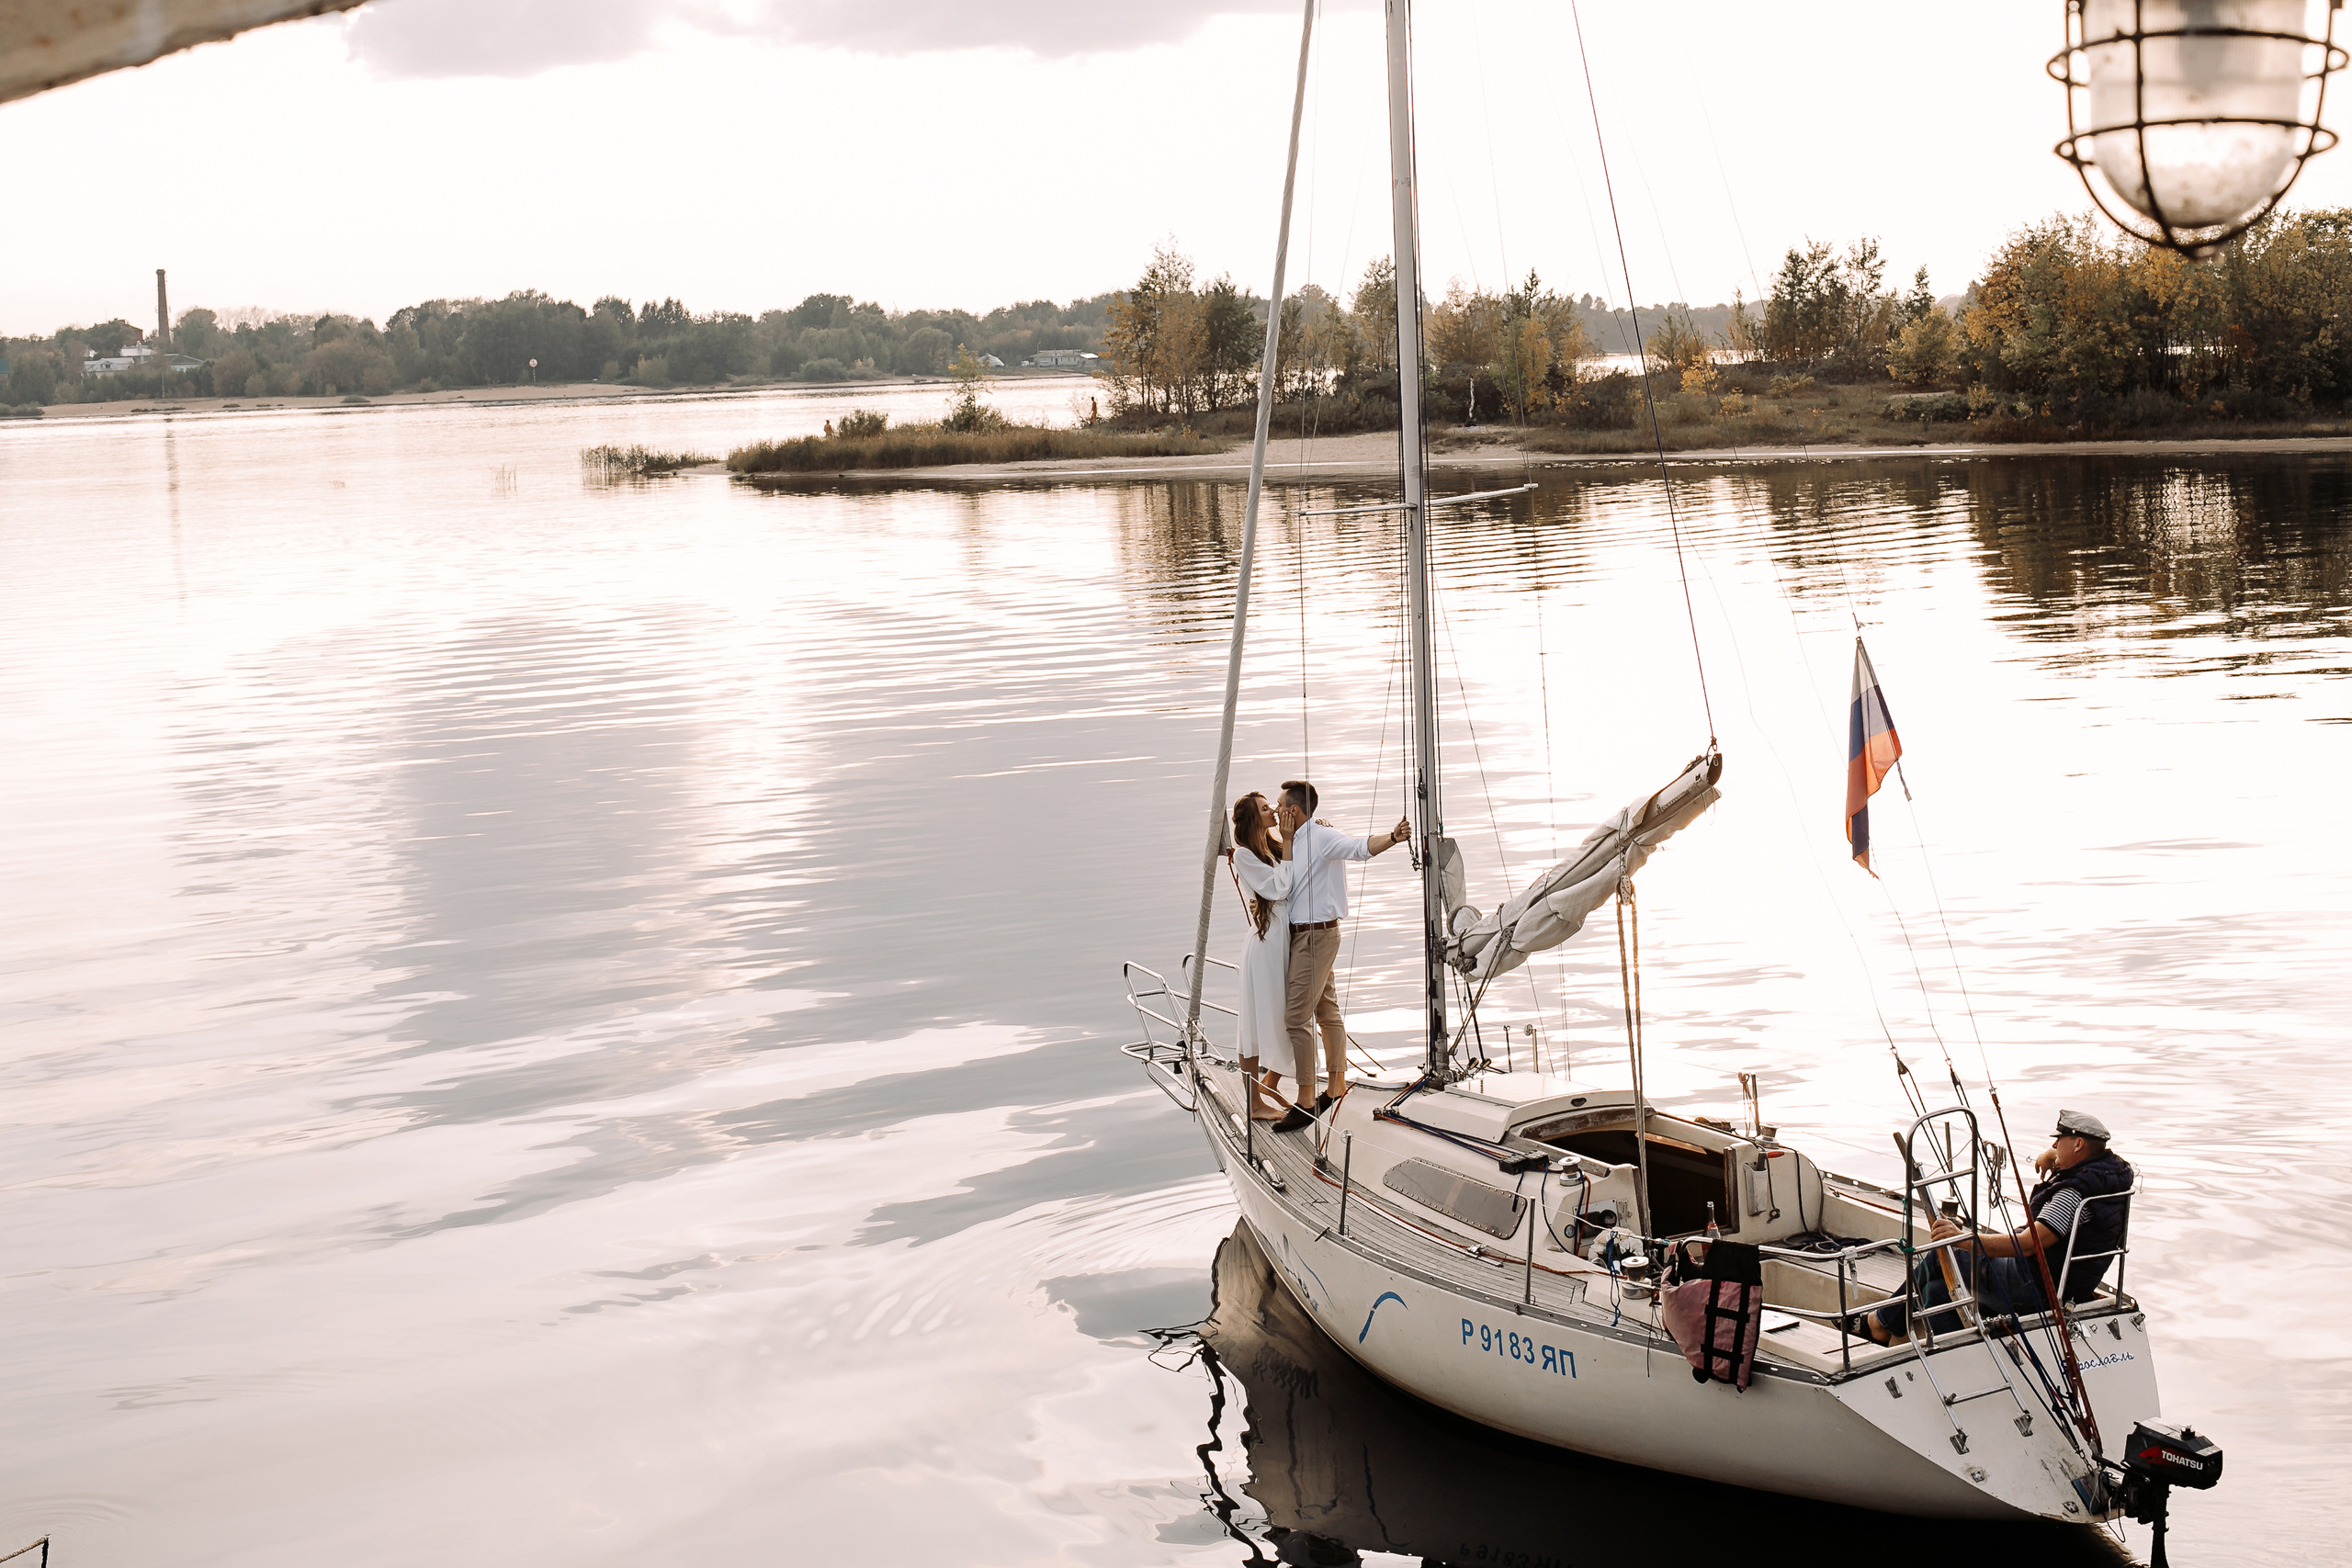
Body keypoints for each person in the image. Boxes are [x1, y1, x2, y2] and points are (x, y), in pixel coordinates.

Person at [1865, 1109, 2134, 1343]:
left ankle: (1881, 1323)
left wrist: (1962, 1238)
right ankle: (1958, 1349)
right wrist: (2053, 1155)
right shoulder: (2108, 1177)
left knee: (1943, 1253)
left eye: (2059, 1141)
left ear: (2077, 1144)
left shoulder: (2072, 1193)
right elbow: (2075, 1159)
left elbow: (2030, 1244)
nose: (2054, 1145)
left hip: (2034, 1285)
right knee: (1934, 1291)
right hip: (2069, 1283)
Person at [1276, 779, 1411, 1117]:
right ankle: (1335, 1088)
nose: (1277, 812)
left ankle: (1306, 1099)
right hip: (1306, 937)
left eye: (1280, 807)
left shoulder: (1322, 837)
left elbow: (1359, 847)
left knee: (1296, 1018)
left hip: (1316, 937)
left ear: (1293, 811)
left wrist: (1393, 838)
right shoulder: (1291, 841)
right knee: (1326, 1011)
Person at [1229, 792, 1309, 1131]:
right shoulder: (1245, 856)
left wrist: (1310, 831)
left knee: (1286, 1015)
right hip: (1265, 946)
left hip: (1281, 941)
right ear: (1252, 820)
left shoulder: (1272, 848)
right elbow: (1279, 889)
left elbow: (1299, 866)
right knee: (1255, 1023)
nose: (1274, 811)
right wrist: (1289, 841)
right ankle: (1255, 1102)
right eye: (1265, 809)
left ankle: (1270, 1082)